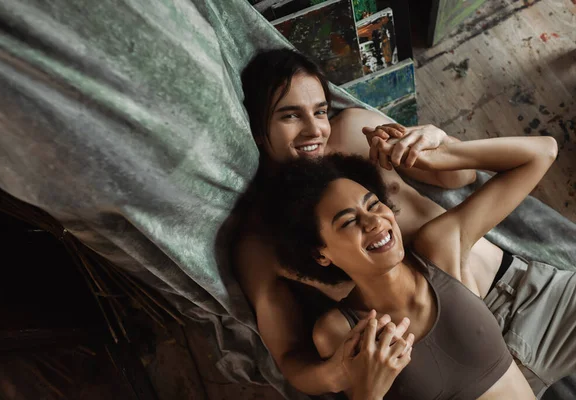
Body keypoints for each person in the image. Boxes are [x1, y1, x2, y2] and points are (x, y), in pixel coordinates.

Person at [233, 48, 548, 396]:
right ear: (258, 130)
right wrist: (342, 372)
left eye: (320, 111)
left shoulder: (356, 133)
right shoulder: (261, 238)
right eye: (290, 116)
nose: (314, 130)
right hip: (430, 351)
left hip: (506, 293)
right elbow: (290, 358)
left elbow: (461, 178)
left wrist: (433, 142)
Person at [262, 136, 558, 399]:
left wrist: (441, 155)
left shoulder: (439, 251)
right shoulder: (341, 331)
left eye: (374, 204)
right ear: (320, 254)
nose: (374, 221)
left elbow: (542, 152)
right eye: (349, 221)